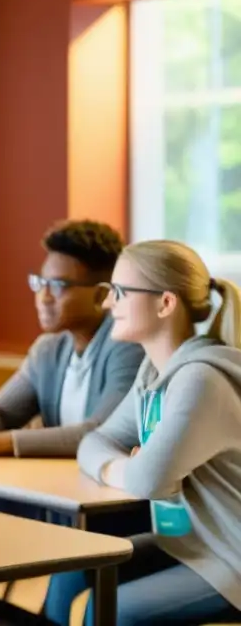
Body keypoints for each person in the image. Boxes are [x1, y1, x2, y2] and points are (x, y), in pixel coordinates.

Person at [45, 240, 241, 626]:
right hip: (190, 543)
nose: (106, 304)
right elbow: (95, 442)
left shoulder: (200, 379)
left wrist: (140, 470)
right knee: (69, 571)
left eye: (119, 292)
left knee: (108, 609)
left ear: (165, 303)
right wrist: (124, 469)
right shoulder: (152, 374)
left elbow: (149, 480)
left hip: (229, 555)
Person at [0, 220, 144, 459]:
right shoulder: (48, 349)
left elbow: (103, 432)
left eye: (58, 285)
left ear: (102, 294)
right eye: (40, 283)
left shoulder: (129, 346)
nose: (43, 298)